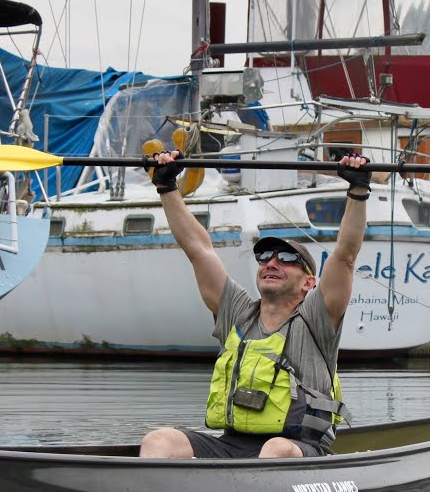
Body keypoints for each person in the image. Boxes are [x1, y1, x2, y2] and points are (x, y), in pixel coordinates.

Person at [139, 149, 372, 458]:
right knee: (160, 441)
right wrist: (166, 187)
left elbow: (345, 256)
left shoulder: (317, 317)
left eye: (287, 259)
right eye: (265, 257)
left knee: (274, 448)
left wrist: (357, 191)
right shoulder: (237, 312)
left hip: (298, 447)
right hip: (232, 443)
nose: (272, 263)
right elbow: (198, 249)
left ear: (308, 283)